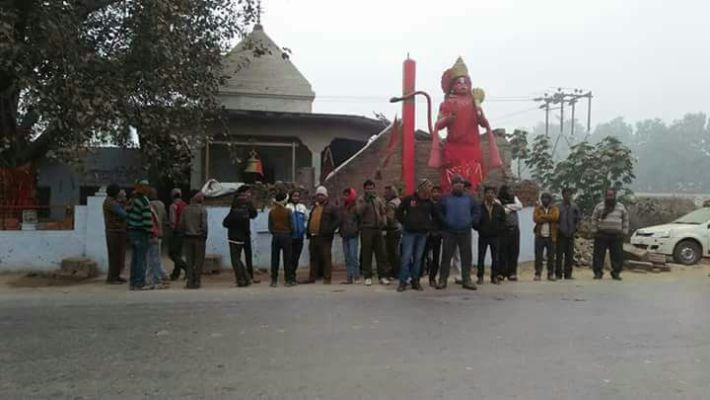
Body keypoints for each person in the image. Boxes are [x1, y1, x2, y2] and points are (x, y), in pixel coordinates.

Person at [437, 175, 481, 290]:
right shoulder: (445, 198)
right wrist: (445, 221)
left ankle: (467, 280)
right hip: (449, 232)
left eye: (461, 184)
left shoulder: (470, 198)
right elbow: (439, 212)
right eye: (457, 184)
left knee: (466, 257)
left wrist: (471, 221)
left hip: (465, 231)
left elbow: (476, 211)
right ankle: (442, 280)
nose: (459, 185)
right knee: (446, 256)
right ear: (452, 185)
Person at [396, 179, 440, 292]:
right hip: (409, 233)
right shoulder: (409, 199)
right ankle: (403, 281)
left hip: (422, 234)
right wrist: (405, 222)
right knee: (406, 257)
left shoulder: (429, 203)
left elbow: (436, 216)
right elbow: (398, 213)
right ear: (422, 187)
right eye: (429, 186)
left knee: (418, 258)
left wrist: (429, 226)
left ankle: (415, 280)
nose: (431, 188)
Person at [356, 180, 391, 286]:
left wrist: (384, 222)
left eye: (371, 188)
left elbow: (383, 212)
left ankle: (383, 276)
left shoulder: (378, 199)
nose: (370, 190)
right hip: (366, 229)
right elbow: (359, 212)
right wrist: (366, 202)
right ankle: (367, 276)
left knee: (381, 253)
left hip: (378, 229)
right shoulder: (361, 199)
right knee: (367, 253)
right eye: (368, 188)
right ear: (364, 189)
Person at [222, 185, 257, 287]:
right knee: (241, 257)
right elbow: (253, 215)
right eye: (247, 193)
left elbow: (226, 222)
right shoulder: (245, 210)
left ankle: (244, 278)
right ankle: (247, 277)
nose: (248, 195)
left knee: (236, 258)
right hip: (244, 233)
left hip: (236, 235)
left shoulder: (235, 210)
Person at [591, 189, 629, 280]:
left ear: (615, 196)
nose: (610, 197)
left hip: (616, 235)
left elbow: (626, 219)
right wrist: (594, 230)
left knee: (617, 255)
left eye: (611, 195)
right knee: (598, 255)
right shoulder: (599, 206)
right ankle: (598, 272)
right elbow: (594, 218)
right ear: (605, 196)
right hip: (602, 234)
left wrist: (624, 231)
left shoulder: (621, 207)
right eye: (608, 195)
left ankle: (616, 273)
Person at [306, 186, 340, 284]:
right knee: (313, 257)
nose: (320, 197)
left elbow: (338, 220)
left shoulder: (331, 207)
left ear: (326, 196)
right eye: (318, 195)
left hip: (325, 237)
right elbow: (310, 219)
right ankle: (312, 277)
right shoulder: (315, 207)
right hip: (313, 236)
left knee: (325, 257)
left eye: (322, 195)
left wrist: (329, 230)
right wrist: (308, 231)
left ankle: (327, 278)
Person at [475, 186, 506, 284]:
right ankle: (480, 277)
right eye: (488, 192)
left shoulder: (499, 208)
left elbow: (503, 222)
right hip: (483, 236)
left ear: (495, 195)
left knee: (495, 257)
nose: (490, 194)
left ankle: (494, 277)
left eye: (492, 193)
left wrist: (498, 231)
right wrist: (480, 229)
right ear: (484, 194)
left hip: (495, 237)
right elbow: (475, 222)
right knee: (481, 257)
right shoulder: (479, 207)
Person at [126, 179, 153, 290]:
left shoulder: (132, 200)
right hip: (141, 232)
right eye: (146, 187)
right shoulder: (143, 201)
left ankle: (133, 282)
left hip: (132, 231)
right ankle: (140, 282)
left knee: (135, 258)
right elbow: (147, 218)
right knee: (141, 259)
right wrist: (150, 231)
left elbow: (128, 215)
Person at [181, 192, 208, 289]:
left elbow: (182, 224)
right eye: (201, 196)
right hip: (199, 238)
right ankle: (197, 282)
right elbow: (204, 225)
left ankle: (190, 282)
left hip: (188, 237)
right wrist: (204, 235)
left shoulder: (185, 209)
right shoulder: (202, 210)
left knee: (189, 261)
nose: (203, 197)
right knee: (199, 261)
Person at [103, 184, 128, 284]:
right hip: (114, 231)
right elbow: (122, 214)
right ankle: (112, 278)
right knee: (114, 256)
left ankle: (116, 276)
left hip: (116, 230)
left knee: (118, 256)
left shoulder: (111, 201)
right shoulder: (110, 202)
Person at [269, 193, 294, 287]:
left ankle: (274, 280)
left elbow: (270, 226)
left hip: (275, 235)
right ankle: (288, 280)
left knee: (275, 258)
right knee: (287, 258)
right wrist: (290, 232)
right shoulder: (288, 211)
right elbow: (292, 225)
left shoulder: (272, 211)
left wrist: (275, 232)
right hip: (286, 235)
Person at [498, 185, 523, 281]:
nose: (510, 192)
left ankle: (512, 273)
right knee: (502, 251)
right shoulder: (498, 200)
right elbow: (501, 210)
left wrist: (508, 206)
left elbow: (520, 206)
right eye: (508, 190)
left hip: (514, 229)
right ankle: (501, 273)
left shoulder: (514, 198)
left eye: (511, 190)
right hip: (503, 230)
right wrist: (512, 208)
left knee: (514, 251)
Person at [533, 192, 560, 281]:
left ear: (550, 200)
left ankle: (550, 274)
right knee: (538, 256)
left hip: (551, 236)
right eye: (543, 198)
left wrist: (543, 217)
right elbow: (535, 218)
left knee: (551, 256)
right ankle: (538, 273)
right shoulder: (538, 209)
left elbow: (555, 217)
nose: (545, 200)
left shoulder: (554, 208)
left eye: (547, 198)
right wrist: (548, 218)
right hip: (539, 236)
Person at [146, 188, 169, 289]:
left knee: (151, 257)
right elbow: (164, 218)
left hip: (151, 233)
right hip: (159, 232)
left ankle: (154, 278)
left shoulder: (148, 205)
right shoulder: (161, 204)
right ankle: (160, 275)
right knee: (156, 256)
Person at [557, 188, 581, 280]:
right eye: (566, 194)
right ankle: (558, 274)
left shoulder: (574, 207)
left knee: (569, 255)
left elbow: (578, 218)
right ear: (562, 195)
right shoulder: (558, 206)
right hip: (560, 235)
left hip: (571, 234)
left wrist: (576, 228)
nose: (568, 196)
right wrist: (558, 228)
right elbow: (555, 219)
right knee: (559, 255)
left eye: (569, 194)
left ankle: (568, 274)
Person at [424, 185, 444, 287]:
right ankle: (417, 277)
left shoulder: (442, 205)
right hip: (426, 233)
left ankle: (432, 278)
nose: (436, 194)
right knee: (422, 256)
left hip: (437, 234)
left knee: (436, 257)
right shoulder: (426, 204)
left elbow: (444, 219)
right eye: (434, 192)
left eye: (438, 192)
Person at [340, 187, 360, 284]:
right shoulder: (343, 207)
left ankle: (356, 276)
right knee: (347, 257)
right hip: (345, 234)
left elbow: (360, 220)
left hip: (353, 234)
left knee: (353, 256)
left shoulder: (356, 207)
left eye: (347, 195)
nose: (345, 197)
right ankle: (349, 277)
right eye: (344, 195)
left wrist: (356, 229)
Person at [287, 189, 308, 280]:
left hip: (299, 237)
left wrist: (304, 229)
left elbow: (306, 219)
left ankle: (293, 273)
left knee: (296, 257)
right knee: (289, 257)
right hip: (290, 237)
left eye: (297, 196)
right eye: (294, 196)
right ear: (291, 197)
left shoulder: (302, 207)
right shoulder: (287, 207)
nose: (296, 198)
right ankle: (289, 275)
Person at [168, 188, 188, 281]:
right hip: (184, 231)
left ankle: (186, 267)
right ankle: (176, 273)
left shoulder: (173, 206)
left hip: (176, 231)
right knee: (178, 253)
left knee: (172, 254)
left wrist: (171, 229)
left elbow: (173, 220)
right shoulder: (185, 205)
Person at [383, 185, 402, 281]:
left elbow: (389, 219)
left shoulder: (391, 204)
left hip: (392, 230)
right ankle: (397, 271)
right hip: (399, 229)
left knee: (392, 252)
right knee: (396, 252)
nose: (384, 194)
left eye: (386, 192)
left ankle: (395, 272)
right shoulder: (399, 201)